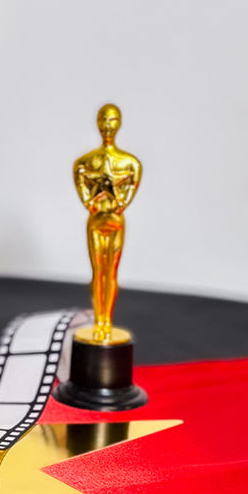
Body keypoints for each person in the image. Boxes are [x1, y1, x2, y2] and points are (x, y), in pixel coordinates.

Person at [72, 104, 142, 343]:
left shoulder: (130, 163)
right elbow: (82, 184)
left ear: (118, 123)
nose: (107, 125)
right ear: (98, 123)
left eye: (112, 120)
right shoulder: (86, 162)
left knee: (110, 272)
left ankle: (105, 320)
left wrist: (112, 201)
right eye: (104, 120)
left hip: (114, 222)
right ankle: (100, 320)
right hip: (97, 221)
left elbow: (127, 193)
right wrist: (93, 201)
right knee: (97, 272)